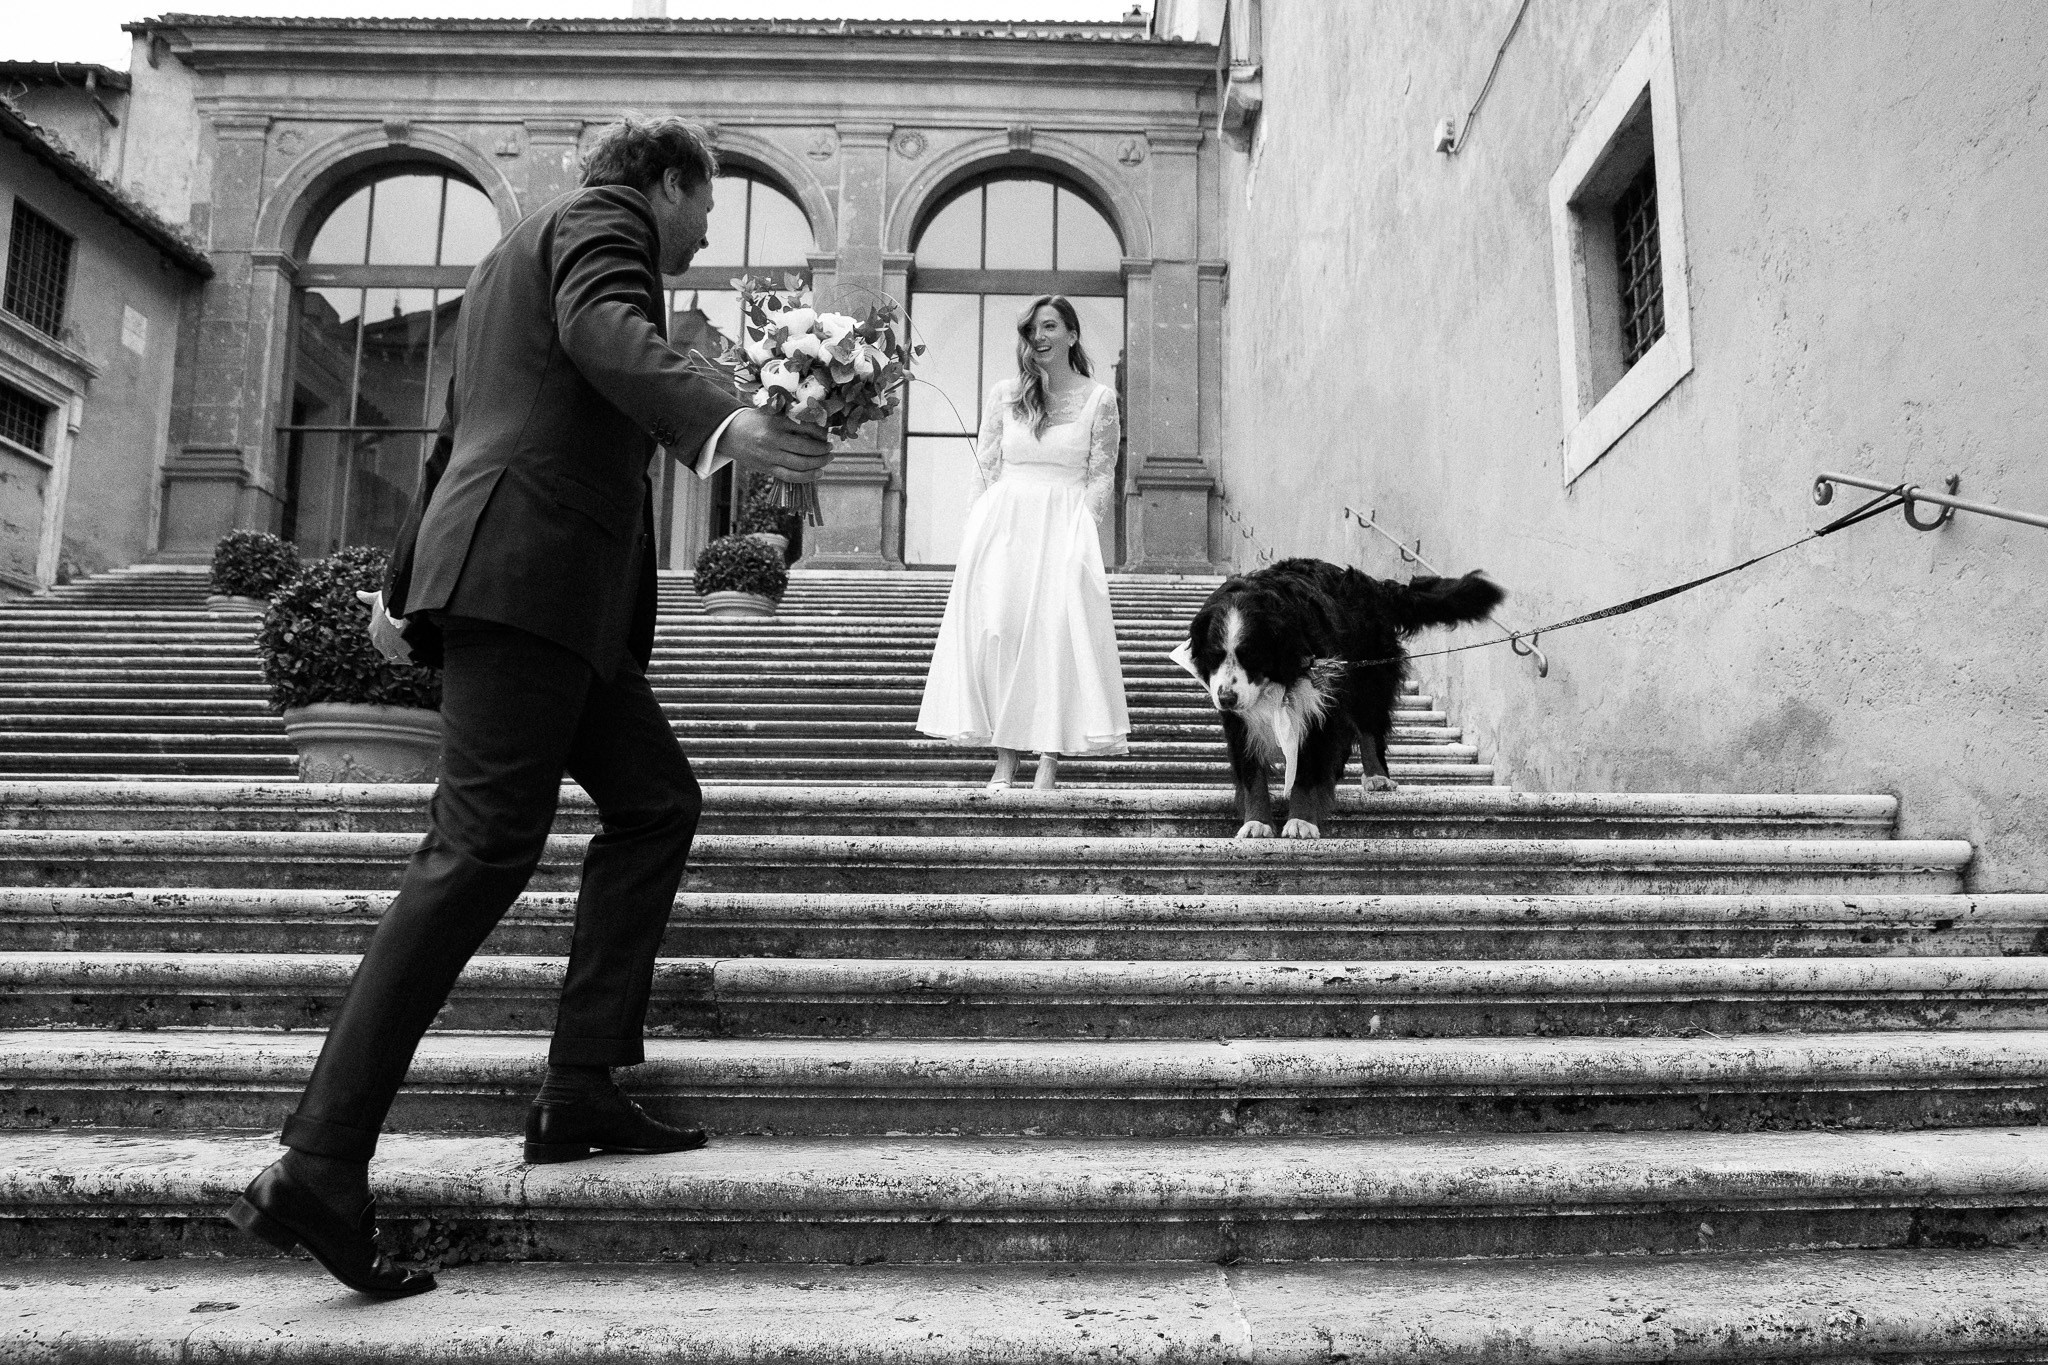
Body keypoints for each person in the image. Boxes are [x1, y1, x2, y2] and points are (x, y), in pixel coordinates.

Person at [225, 116, 832, 1298]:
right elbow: (604, 335)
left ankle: (580, 1086)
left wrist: (401, 587)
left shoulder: (509, 251)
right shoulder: (602, 227)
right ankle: (318, 1161)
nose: (706, 231)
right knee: (478, 849)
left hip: (550, 594)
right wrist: (726, 422)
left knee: (655, 804)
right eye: (703, 205)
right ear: (664, 184)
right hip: (531, 578)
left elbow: (461, 434)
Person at [916, 295, 1130, 789]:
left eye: (1051, 326)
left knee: (1055, 637)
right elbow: (987, 466)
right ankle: (1005, 759)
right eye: (1033, 328)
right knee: (1002, 632)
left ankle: (1049, 759)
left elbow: (1101, 476)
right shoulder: (1005, 395)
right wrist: (974, 533)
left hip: (1064, 525)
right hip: (1006, 527)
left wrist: (1085, 537)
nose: (1040, 336)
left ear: (1072, 335)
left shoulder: (1101, 400)